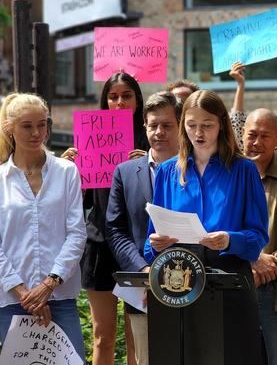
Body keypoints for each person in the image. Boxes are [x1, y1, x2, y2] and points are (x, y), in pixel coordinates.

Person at [143, 89, 269, 363]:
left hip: (229, 283)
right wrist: (156, 244)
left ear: (221, 124)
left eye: (207, 125)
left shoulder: (243, 170)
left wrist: (229, 240)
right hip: (179, 284)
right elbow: (149, 242)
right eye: (191, 125)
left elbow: (259, 236)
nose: (198, 133)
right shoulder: (167, 172)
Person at [63, 72, 148, 365]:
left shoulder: (151, 141)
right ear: (105, 101)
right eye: (113, 96)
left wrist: (148, 163)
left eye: (127, 95)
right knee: (102, 335)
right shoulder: (91, 139)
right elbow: (80, 201)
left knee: (139, 333)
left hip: (136, 248)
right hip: (99, 245)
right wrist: (71, 170)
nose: (120, 102)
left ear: (138, 99)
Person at [0, 93, 87, 359]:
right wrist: (24, 293)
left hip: (59, 297)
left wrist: (48, 285)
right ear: (9, 129)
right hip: (12, 301)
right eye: (27, 125)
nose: (37, 132)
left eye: (42, 124)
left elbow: (76, 233)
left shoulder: (66, 171)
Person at [106, 91, 182, 365]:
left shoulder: (200, 169)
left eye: (167, 125)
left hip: (192, 285)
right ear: (144, 128)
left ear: (180, 124)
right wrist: (144, 271)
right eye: (153, 125)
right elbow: (116, 230)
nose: (159, 132)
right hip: (143, 291)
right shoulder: (125, 173)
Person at [243, 108, 277, 365]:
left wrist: (269, 265)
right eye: (251, 135)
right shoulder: (229, 175)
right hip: (238, 286)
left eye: (265, 136)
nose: (257, 142)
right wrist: (250, 260)